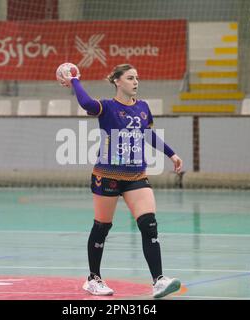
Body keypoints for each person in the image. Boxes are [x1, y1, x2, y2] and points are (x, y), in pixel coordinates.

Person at [57, 63, 183, 299]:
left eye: (137, 78)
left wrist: (171, 154)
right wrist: (75, 80)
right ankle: (93, 279)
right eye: (130, 78)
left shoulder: (144, 108)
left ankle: (158, 280)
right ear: (117, 81)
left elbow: (148, 135)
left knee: (149, 224)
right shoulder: (107, 107)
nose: (135, 82)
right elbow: (86, 103)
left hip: (136, 175)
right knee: (102, 226)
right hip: (107, 175)